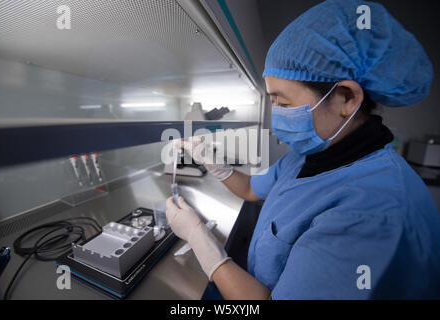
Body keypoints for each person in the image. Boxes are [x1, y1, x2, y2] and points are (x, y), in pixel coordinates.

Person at [165, 0, 440, 299]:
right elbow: (250, 190)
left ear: (346, 98)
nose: (277, 114)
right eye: (273, 102)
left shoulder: (373, 211)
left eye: (284, 103)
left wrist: (201, 241)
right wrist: (215, 165)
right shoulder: (307, 156)